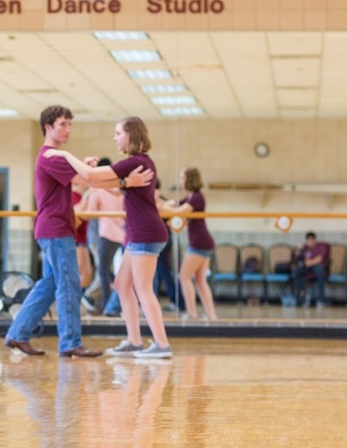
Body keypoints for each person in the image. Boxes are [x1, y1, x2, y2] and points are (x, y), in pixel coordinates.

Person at [3, 105, 150, 358]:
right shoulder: (52, 156)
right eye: (62, 124)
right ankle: (70, 342)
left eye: (70, 124)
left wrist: (84, 165)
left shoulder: (53, 157)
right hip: (56, 229)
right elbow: (90, 180)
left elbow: (82, 177)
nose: (68, 129)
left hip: (53, 228)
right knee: (69, 284)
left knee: (49, 284)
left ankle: (17, 334)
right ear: (48, 127)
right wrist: (127, 182)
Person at [46, 116, 173, 358]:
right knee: (123, 284)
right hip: (138, 234)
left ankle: (162, 344)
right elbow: (111, 185)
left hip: (145, 233)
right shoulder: (137, 163)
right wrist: (95, 174)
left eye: (118, 133)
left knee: (142, 288)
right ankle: (134, 341)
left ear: (130, 135)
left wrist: (64, 155)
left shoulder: (136, 161)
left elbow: (92, 177)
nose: (115, 138)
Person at [162, 167, 218, 321]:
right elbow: (173, 204)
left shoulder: (196, 197)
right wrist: (159, 202)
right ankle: (211, 315)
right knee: (199, 280)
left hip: (199, 243)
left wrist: (160, 206)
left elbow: (178, 212)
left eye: (182, 177)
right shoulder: (192, 196)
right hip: (202, 242)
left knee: (184, 276)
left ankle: (192, 313)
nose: (180, 180)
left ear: (189, 179)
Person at [78, 164, 125, 315]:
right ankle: (108, 302)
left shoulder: (97, 190)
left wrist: (84, 200)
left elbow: (88, 214)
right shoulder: (119, 190)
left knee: (104, 271)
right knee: (110, 271)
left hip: (106, 234)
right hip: (121, 235)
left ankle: (106, 304)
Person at [153, 179, 182, 312]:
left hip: (162, 241)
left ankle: (177, 301)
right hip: (163, 240)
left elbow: (173, 211)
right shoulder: (160, 201)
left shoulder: (158, 201)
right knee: (159, 272)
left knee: (164, 272)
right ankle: (157, 300)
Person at [292, 231, 329, 308]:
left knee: (320, 272)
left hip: (316, 266)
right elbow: (297, 259)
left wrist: (310, 262)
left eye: (312, 240)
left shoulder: (320, 247)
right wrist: (298, 250)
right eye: (308, 240)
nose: (310, 241)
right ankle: (300, 298)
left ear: (315, 240)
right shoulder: (304, 247)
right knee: (296, 272)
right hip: (306, 267)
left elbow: (320, 258)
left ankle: (321, 299)